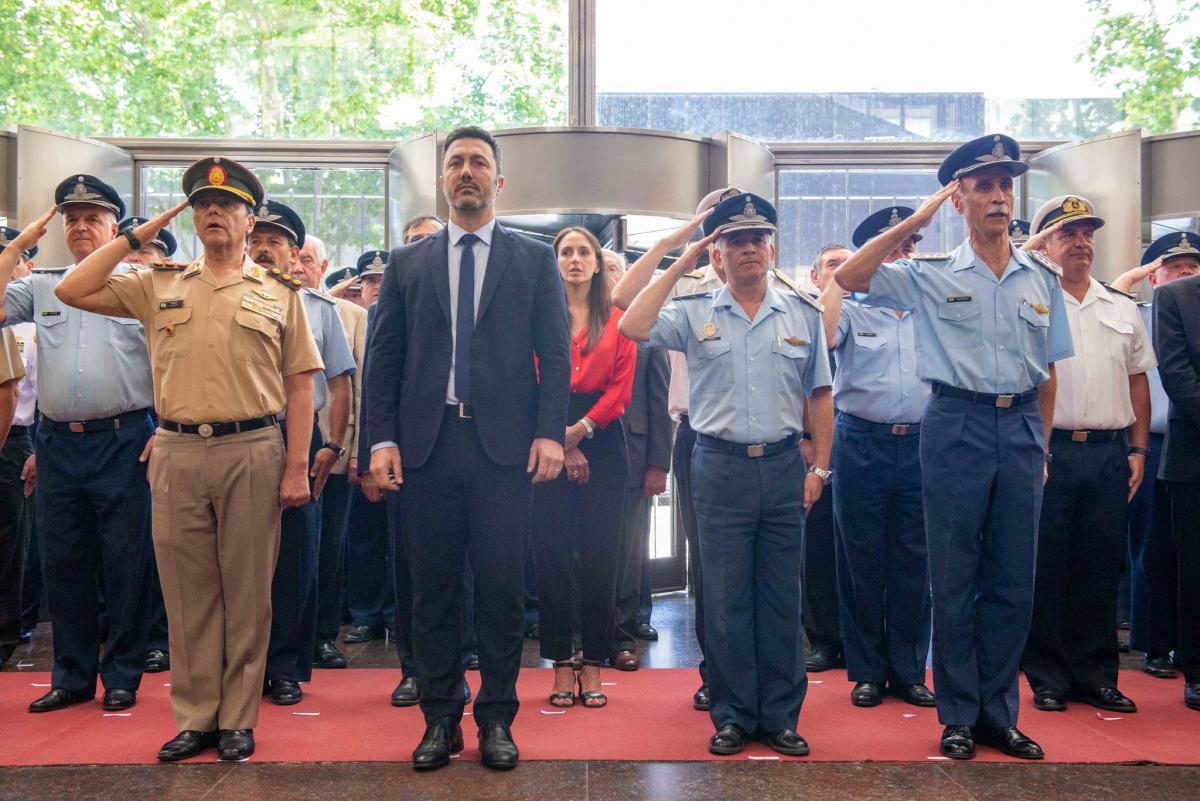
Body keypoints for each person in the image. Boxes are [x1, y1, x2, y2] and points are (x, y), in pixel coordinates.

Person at [52, 156, 323, 762]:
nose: (213, 213)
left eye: (226, 205)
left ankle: (237, 718)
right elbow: (73, 287)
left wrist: (296, 466)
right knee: (186, 591)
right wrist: (135, 235)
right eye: (203, 204)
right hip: (175, 449)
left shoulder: (279, 293)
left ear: (250, 219)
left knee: (248, 593)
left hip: (253, 448)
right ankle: (197, 716)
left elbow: (301, 383)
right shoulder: (160, 282)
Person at [835, 134, 1073, 761]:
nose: (998, 196)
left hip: (1020, 427)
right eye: (984, 186)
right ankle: (959, 714)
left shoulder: (1040, 278)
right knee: (955, 573)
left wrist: (1041, 449)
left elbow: (1049, 374)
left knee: (1013, 579)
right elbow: (851, 276)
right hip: (955, 426)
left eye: (1005, 185)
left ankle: (1001, 714)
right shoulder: (929, 274)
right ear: (959, 197)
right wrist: (916, 221)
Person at [365, 126, 570, 771]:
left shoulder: (533, 259)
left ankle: (497, 719)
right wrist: (381, 439)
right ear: (443, 180)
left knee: (503, 591)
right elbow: (385, 358)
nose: (467, 172)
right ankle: (439, 718)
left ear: (498, 181)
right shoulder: (408, 263)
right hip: (427, 448)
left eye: (479, 163)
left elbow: (557, 353)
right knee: (431, 592)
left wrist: (550, 431)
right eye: (455, 163)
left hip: (504, 449)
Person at [621, 192, 834, 758]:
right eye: (734, 240)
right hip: (717, 467)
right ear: (717, 251)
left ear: (771, 247)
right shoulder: (693, 310)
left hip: (785, 465)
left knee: (781, 596)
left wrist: (820, 466)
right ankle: (734, 713)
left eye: (756, 239)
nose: (747, 249)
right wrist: (676, 253)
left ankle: (781, 715)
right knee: (726, 596)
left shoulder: (803, 313)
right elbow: (628, 314)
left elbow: (820, 394)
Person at [0, 177, 156, 717]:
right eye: (72, 219)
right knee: (64, 564)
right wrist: (17, 247)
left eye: (93, 217)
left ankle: (122, 674)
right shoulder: (41, 285)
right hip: (58, 442)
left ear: (116, 227)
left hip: (127, 438)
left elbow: (171, 360)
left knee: (124, 563)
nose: (81, 226)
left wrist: (164, 429)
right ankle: (70, 676)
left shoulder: (145, 282)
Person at [1017, 196, 1153, 715]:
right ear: (1045, 244)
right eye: (1068, 233)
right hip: (1050, 450)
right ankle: (1048, 676)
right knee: (1047, 566)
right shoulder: (1031, 303)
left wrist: (1138, 448)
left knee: (1101, 565)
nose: (1081, 242)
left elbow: (1137, 381)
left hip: (1107, 452)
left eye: (1088, 233)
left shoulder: (1119, 307)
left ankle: (1097, 674)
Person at [817, 207, 934, 709]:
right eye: (893, 247)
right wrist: (843, 282)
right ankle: (866, 670)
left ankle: (908, 670)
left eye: (910, 245)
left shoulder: (934, 305)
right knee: (861, 558)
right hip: (860, 441)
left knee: (914, 560)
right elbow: (820, 341)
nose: (905, 255)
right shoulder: (852, 309)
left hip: (923, 444)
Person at [249, 201, 355, 705]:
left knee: (296, 559)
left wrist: (333, 445)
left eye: (275, 242)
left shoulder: (319, 309)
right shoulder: (227, 298)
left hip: (300, 437)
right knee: (239, 559)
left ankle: (288, 666)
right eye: (257, 240)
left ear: (295, 254)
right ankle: (242, 667)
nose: (263, 249)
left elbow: (340, 384)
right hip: (239, 435)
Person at [533, 227, 635, 707]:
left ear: (597, 264)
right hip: (546, 438)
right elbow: (529, 382)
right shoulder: (538, 319)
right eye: (565, 252)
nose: (574, 259)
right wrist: (561, 438)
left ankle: (593, 662)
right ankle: (558, 664)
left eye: (583, 252)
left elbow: (620, 391)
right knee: (552, 554)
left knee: (601, 555)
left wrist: (582, 432)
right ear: (555, 263)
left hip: (604, 442)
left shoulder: (620, 318)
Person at [1111, 248, 1199, 678]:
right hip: (1154, 442)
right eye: (1174, 268)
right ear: (1154, 275)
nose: (1184, 273)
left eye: (1191, 268)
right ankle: (1154, 641)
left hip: (1188, 441)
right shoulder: (1138, 312)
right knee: (1152, 547)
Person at [303, 235, 368, 671]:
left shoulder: (351, 315)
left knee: (329, 546)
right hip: (279, 446)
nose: (300, 265)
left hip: (335, 448)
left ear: (323, 264)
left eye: (309, 259)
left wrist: (356, 450)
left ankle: (323, 635)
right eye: (297, 258)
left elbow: (360, 386)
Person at [606, 248, 672, 672]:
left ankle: (622, 634)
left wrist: (658, 464)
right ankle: (581, 635)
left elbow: (660, 397)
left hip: (634, 452)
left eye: (616, 267)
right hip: (582, 449)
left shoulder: (645, 326)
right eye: (604, 267)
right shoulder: (566, 319)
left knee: (628, 553)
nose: (608, 274)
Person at [1148, 230, 1200, 712]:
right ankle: (1196, 669)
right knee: (1193, 568)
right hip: (1193, 455)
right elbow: (1177, 372)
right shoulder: (1174, 297)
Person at [343, 248, 397, 647]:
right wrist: (360, 455)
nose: (377, 287)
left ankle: (396, 614)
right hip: (362, 445)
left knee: (402, 540)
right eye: (371, 280)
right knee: (364, 538)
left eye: (384, 279)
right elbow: (359, 391)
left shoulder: (399, 314)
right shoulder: (350, 319)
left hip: (402, 447)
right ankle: (366, 615)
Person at [802, 245, 848, 673]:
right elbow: (802, 384)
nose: (842, 270)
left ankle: (857, 638)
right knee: (816, 547)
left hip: (863, 444)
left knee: (857, 548)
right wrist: (808, 442)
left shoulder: (881, 308)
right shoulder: (803, 313)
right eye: (833, 264)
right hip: (815, 446)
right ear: (815, 277)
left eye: (849, 263)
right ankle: (821, 638)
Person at [0, 227, 36, 669]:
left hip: (12, 439)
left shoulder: (26, 322)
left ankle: (6, 634)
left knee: (9, 543)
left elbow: (16, 392)